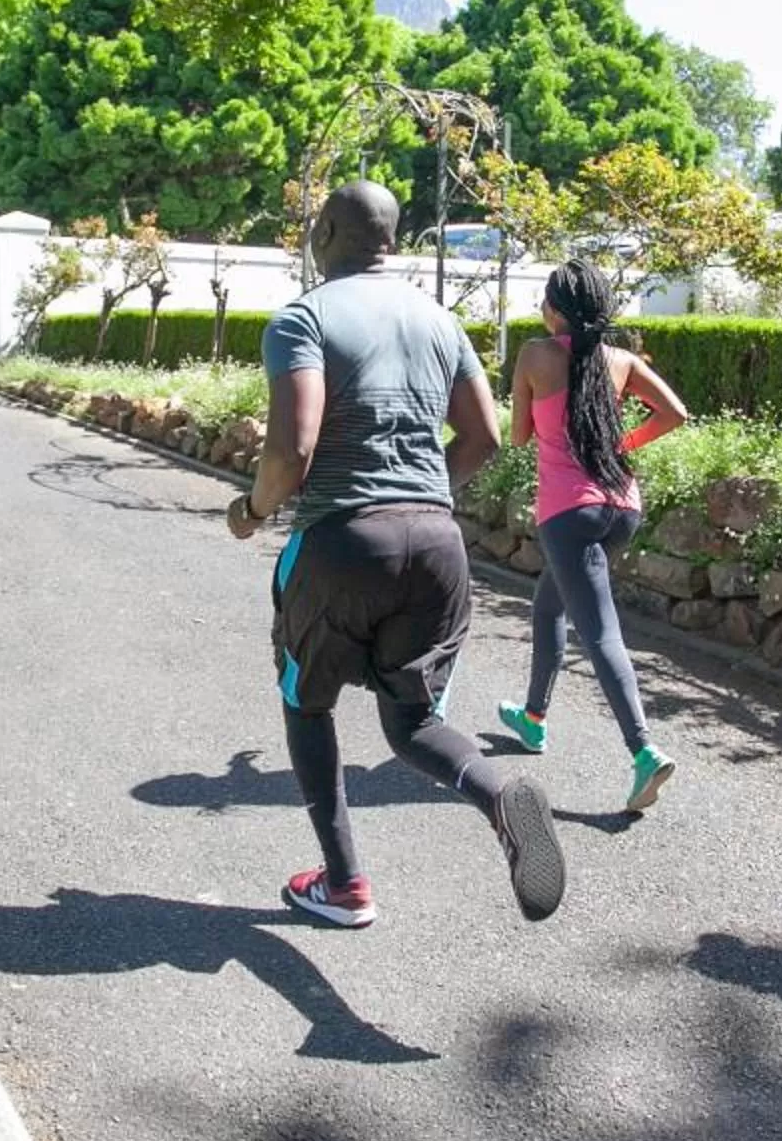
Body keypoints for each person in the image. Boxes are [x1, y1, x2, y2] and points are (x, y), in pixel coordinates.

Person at [224, 180, 566, 930]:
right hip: (437, 544)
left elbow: (294, 449)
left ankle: (344, 886)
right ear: (392, 238)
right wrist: (415, 495)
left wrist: (251, 511)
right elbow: (480, 440)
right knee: (411, 722)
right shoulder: (439, 321)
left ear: (325, 233)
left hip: (340, 541)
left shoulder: (302, 318)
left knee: (306, 703)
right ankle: (499, 796)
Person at [493, 260, 689, 812]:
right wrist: (619, 446)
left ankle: (644, 750)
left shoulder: (535, 354)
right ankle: (533, 719)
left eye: (544, 302)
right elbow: (675, 413)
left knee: (600, 634)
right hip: (621, 506)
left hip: (568, 515)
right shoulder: (622, 361)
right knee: (547, 606)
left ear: (555, 310)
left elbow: (519, 435)